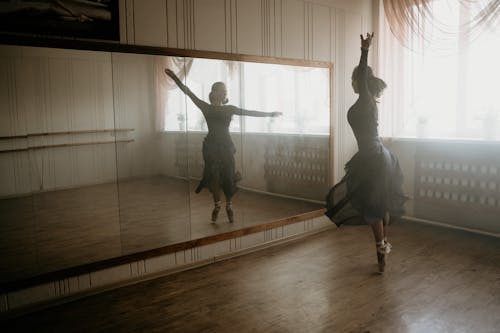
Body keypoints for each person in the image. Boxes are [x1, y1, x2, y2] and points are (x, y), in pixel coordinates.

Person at [325, 33, 407, 273]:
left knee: (373, 206)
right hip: (378, 155)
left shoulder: (365, 100)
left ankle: (381, 248)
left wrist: (364, 50)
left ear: (359, 81)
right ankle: (383, 246)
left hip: (374, 157)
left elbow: (362, 75)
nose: (354, 83)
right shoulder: (368, 103)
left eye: (355, 79)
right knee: (380, 203)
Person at [165, 68, 282, 223]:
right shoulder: (206, 107)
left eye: (226, 91)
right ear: (215, 92)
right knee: (214, 177)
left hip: (226, 146)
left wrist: (269, 114)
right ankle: (217, 206)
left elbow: (249, 112)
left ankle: (229, 206)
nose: (225, 93)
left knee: (228, 176)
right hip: (211, 147)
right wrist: (174, 77)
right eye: (222, 90)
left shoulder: (229, 109)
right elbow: (188, 92)